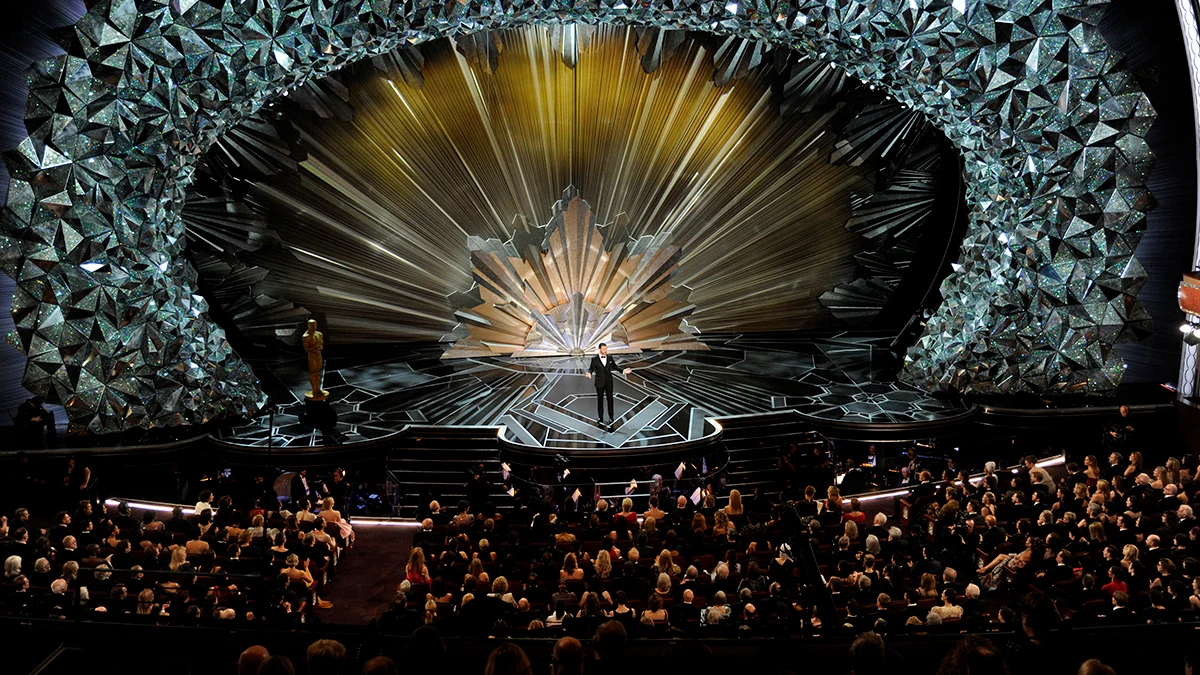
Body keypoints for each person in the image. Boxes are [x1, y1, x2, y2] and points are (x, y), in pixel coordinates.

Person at [585, 343, 632, 431]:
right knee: (600, 400)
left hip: (609, 382)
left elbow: (615, 366)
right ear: (599, 349)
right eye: (603, 349)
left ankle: (611, 417)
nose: (605, 351)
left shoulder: (610, 357)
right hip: (599, 383)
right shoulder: (594, 359)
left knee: (610, 399)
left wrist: (623, 371)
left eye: (606, 349)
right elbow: (591, 368)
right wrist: (589, 373)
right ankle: (600, 417)